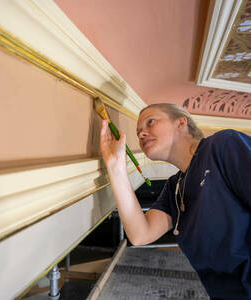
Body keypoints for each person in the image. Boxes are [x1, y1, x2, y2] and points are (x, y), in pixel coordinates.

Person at [100, 103, 251, 300]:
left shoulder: (223, 145)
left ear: (181, 123)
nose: (142, 134)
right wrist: (115, 164)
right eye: (138, 132)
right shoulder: (174, 187)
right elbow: (140, 234)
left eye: (150, 122)